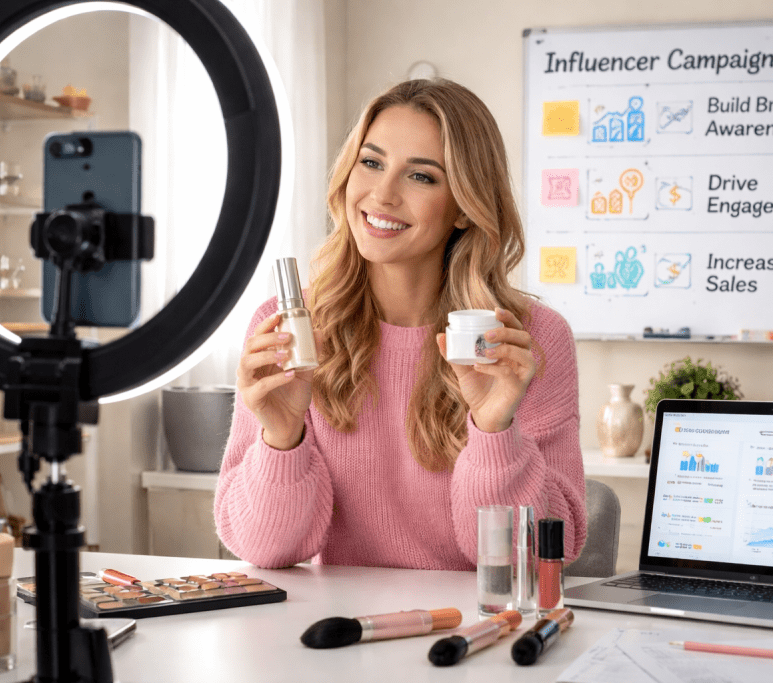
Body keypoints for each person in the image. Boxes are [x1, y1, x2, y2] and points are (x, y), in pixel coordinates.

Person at [214, 78, 586, 570]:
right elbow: (266, 549)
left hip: (474, 632)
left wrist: (495, 430)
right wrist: (283, 437)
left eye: (422, 177)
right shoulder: (289, 327)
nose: (382, 194)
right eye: (371, 163)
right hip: (340, 634)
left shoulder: (528, 341)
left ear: (464, 207)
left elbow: (537, 558)